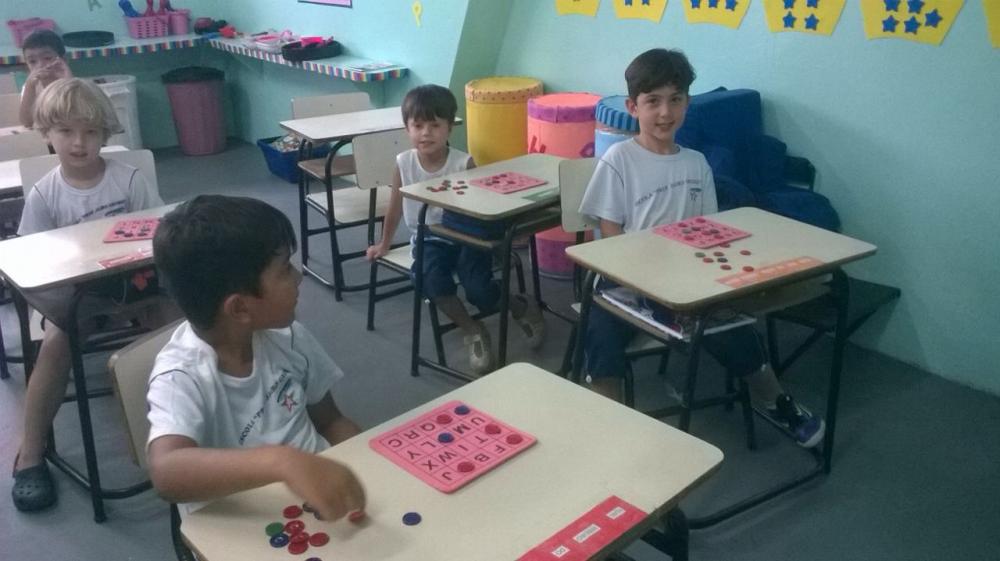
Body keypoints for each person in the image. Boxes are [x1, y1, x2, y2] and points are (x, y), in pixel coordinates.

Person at [578, 48, 824, 447]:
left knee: (733, 327)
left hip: (686, 282)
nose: (665, 112)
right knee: (601, 334)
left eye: (675, 99)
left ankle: (775, 401)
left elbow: (708, 229)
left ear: (687, 103)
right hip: (625, 281)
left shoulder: (696, 164)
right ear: (633, 107)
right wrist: (646, 281)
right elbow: (611, 237)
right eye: (653, 101)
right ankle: (609, 423)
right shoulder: (619, 160)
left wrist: (697, 282)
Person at [147, 195, 366, 521]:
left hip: (319, 507)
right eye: (285, 269)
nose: (298, 277)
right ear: (239, 308)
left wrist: (367, 468)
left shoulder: (289, 338)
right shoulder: (182, 376)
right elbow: (166, 472)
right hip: (250, 524)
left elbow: (331, 420)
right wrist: (283, 462)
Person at [12, 78, 166, 511]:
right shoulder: (45, 194)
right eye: (66, 131)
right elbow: (30, 259)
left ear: (105, 133)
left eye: (90, 132)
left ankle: (193, 420)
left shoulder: (128, 179)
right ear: (47, 133)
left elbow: (161, 236)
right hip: (77, 298)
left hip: (136, 288)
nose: (79, 143)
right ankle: (30, 454)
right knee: (54, 347)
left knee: (177, 331)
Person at [365, 84, 544, 375]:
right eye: (418, 126)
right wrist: (384, 243)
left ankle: (519, 306)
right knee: (428, 279)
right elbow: (395, 207)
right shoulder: (404, 163)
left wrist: (501, 239)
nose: (426, 133)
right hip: (429, 237)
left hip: (466, 236)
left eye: (435, 125)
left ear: (450, 127)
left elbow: (483, 207)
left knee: (478, 290)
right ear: (407, 129)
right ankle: (473, 330)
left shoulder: (464, 163)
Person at [18, 29, 73, 129]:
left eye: (47, 58)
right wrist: (29, 86)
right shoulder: (30, 87)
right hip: (41, 136)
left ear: (64, 60)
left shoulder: (71, 83)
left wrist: (69, 83)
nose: (40, 65)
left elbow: (77, 116)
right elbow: (27, 122)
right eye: (32, 61)